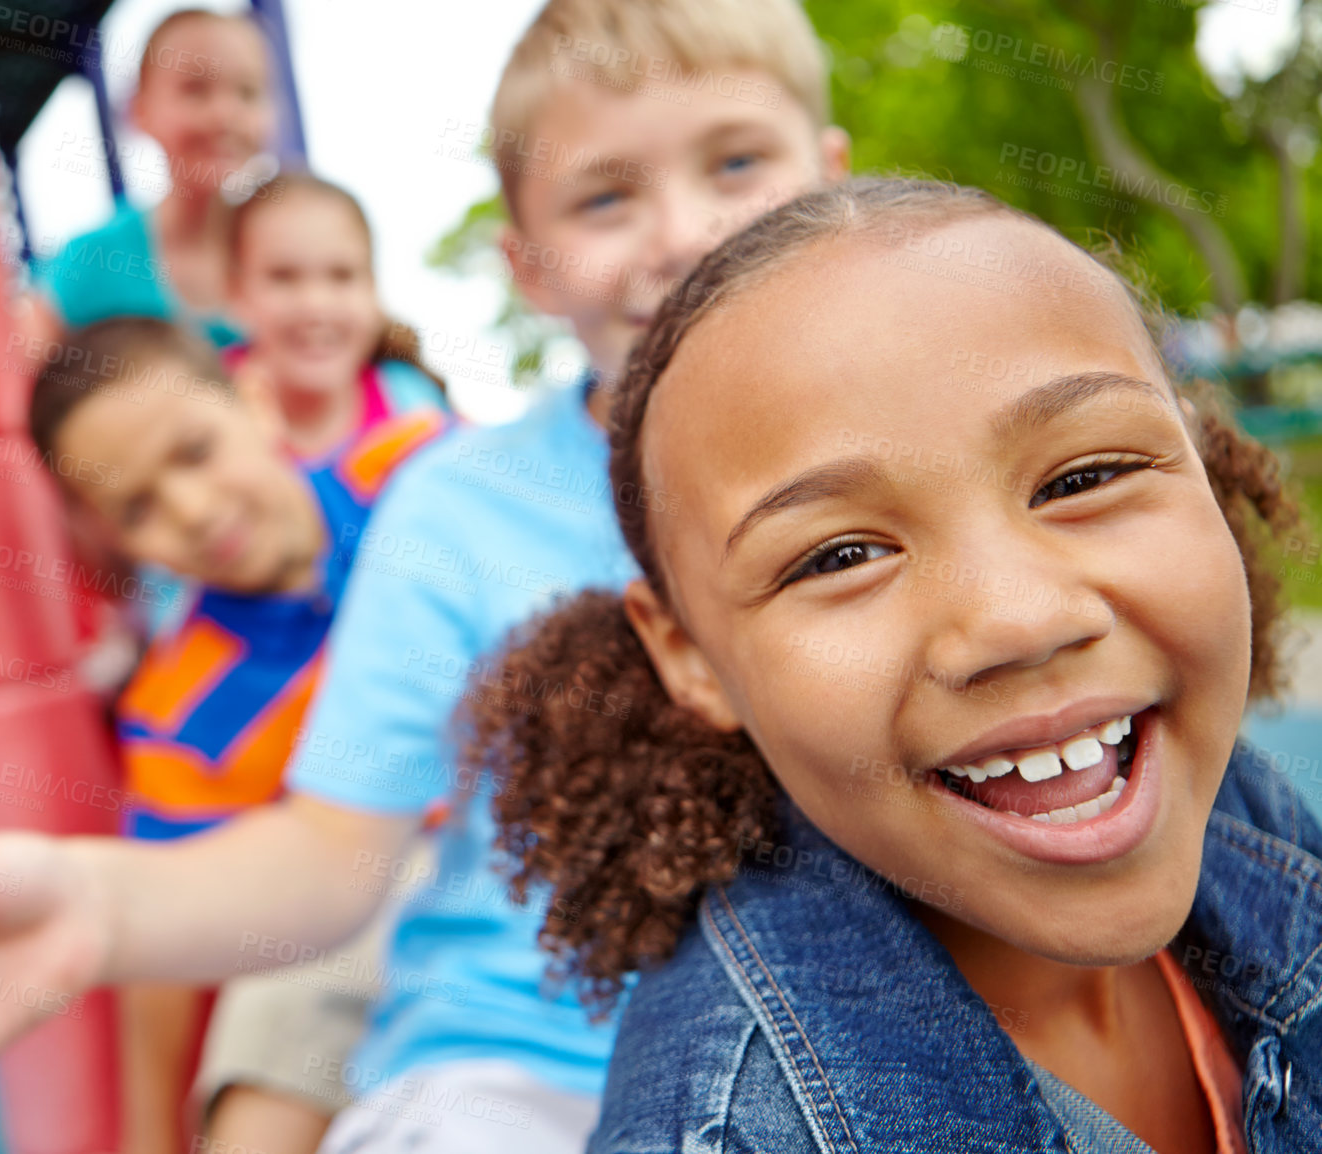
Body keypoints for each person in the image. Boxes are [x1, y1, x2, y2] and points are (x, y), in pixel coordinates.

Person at [0, 3, 851, 1151]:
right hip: (515, 1062)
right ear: (523, 265)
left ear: (829, 176)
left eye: (734, 161)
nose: (679, 231)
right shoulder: (451, 509)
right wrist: (92, 905)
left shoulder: (392, 450)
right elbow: (330, 849)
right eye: (605, 197)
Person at [462, 178, 1318, 1154]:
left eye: (1082, 478)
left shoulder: (1230, 795)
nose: (1018, 619)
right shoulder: (733, 1129)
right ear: (688, 654)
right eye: (839, 555)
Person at [34, 316, 443, 1154]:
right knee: (267, 1056)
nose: (190, 510)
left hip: (558, 817)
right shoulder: (179, 710)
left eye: (193, 452)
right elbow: (160, 940)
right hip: (378, 899)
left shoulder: (419, 475)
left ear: (255, 400)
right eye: (138, 506)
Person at [33, 9, 275, 347]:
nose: (225, 115)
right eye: (195, 89)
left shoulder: (295, 254)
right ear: (140, 110)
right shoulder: (89, 263)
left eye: (248, 92)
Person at [226, 172, 448, 462]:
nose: (315, 305)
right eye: (283, 277)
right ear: (236, 291)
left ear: (372, 289)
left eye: (342, 275)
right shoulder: (209, 402)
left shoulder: (412, 405)